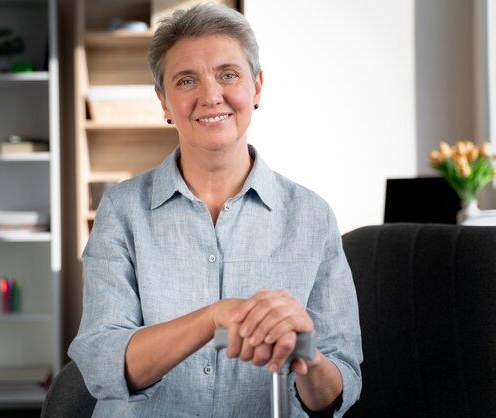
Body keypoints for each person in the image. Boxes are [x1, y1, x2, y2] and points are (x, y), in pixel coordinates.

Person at [69, 4, 362, 417]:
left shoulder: (312, 216)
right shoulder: (122, 210)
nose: (210, 96)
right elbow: (102, 365)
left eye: (228, 74)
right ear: (164, 101)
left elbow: (339, 391)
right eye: (186, 80)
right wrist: (213, 319)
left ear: (256, 87)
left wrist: (305, 352)